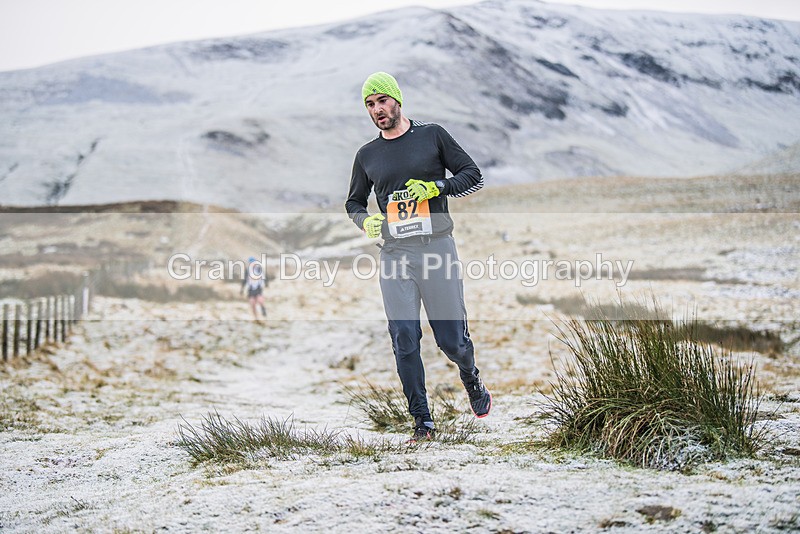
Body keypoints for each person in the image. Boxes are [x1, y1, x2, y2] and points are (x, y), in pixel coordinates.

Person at [345, 71, 491, 443]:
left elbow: (472, 174)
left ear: (397, 100)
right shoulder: (367, 155)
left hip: (437, 248)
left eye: (382, 101)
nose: (377, 109)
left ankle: (470, 376)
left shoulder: (432, 136)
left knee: (451, 341)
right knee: (404, 336)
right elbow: (354, 202)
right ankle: (422, 421)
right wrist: (368, 222)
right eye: (370, 104)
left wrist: (436, 186)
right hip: (395, 253)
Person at [241, 256, 267, 321]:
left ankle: (263, 309)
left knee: (260, 300)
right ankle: (256, 317)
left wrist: (266, 284)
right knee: (252, 303)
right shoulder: (247, 270)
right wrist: (242, 289)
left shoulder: (259, 269)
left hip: (258, 287)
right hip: (251, 288)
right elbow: (244, 280)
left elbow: (264, 277)